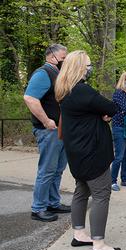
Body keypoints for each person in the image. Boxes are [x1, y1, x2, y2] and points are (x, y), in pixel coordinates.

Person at [55, 50, 120, 250]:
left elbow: (93, 112)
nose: (90, 68)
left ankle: (79, 233)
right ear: (80, 67)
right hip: (92, 153)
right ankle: (99, 244)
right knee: (101, 195)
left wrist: (99, 114)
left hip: (76, 152)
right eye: (88, 65)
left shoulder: (65, 91)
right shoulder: (83, 91)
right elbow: (112, 107)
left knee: (81, 191)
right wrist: (104, 114)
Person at [23, 43, 71, 222]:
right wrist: (45, 120)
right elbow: (29, 98)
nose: (65, 61)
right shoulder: (43, 73)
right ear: (52, 57)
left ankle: (53, 202)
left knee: (57, 169)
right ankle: (38, 208)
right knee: (47, 170)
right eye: (63, 58)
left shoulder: (58, 74)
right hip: (48, 130)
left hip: (60, 130)